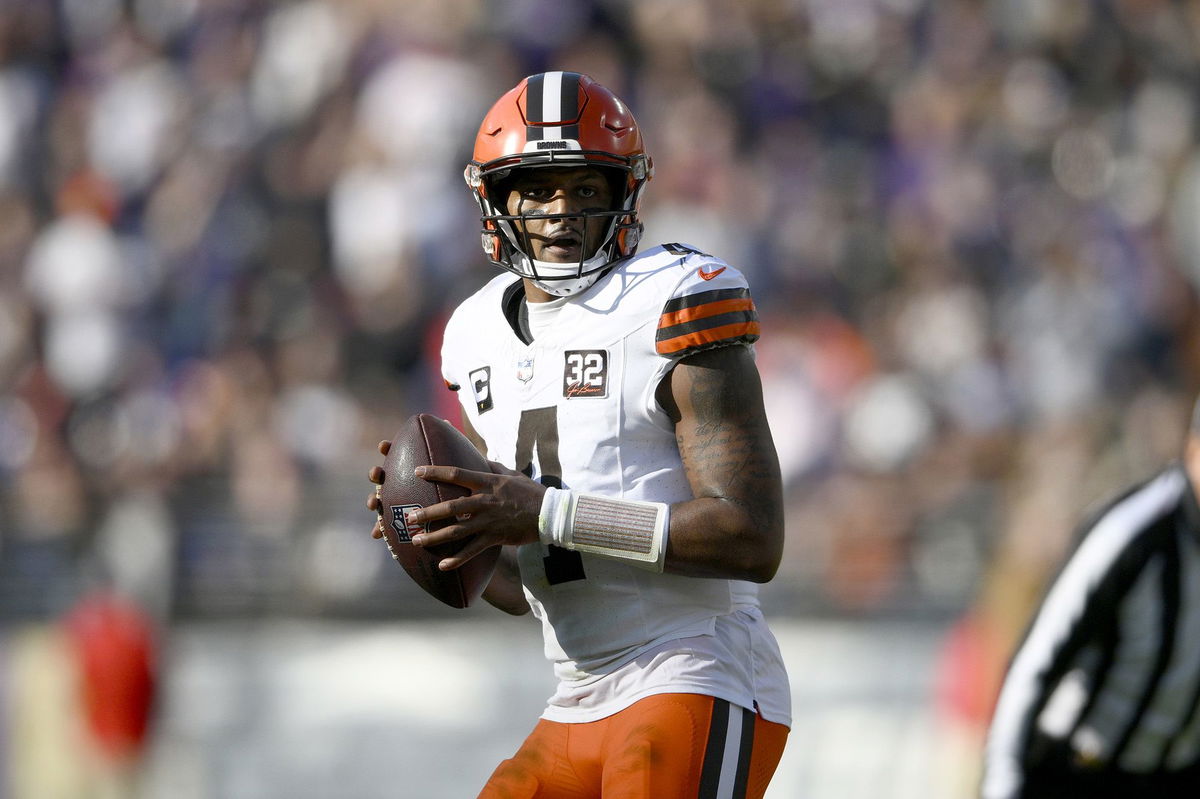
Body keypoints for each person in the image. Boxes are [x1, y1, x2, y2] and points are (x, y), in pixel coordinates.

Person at [366, 71, 791, 798]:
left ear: (623, 193)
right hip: (576, 692)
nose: (562, 212)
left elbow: (751, 537)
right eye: (538, 189)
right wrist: (448, 532)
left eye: (587, 189)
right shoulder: (472, 336)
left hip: (692, 667)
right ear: (496, 199)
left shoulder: (677, 296)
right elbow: (539, 577)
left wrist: (542, 511)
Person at [980, 398, 1200, 798]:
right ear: (1193, 450)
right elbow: (1033, 667)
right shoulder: (1131, 533)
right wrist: (1002, 785)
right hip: (1081, 772)